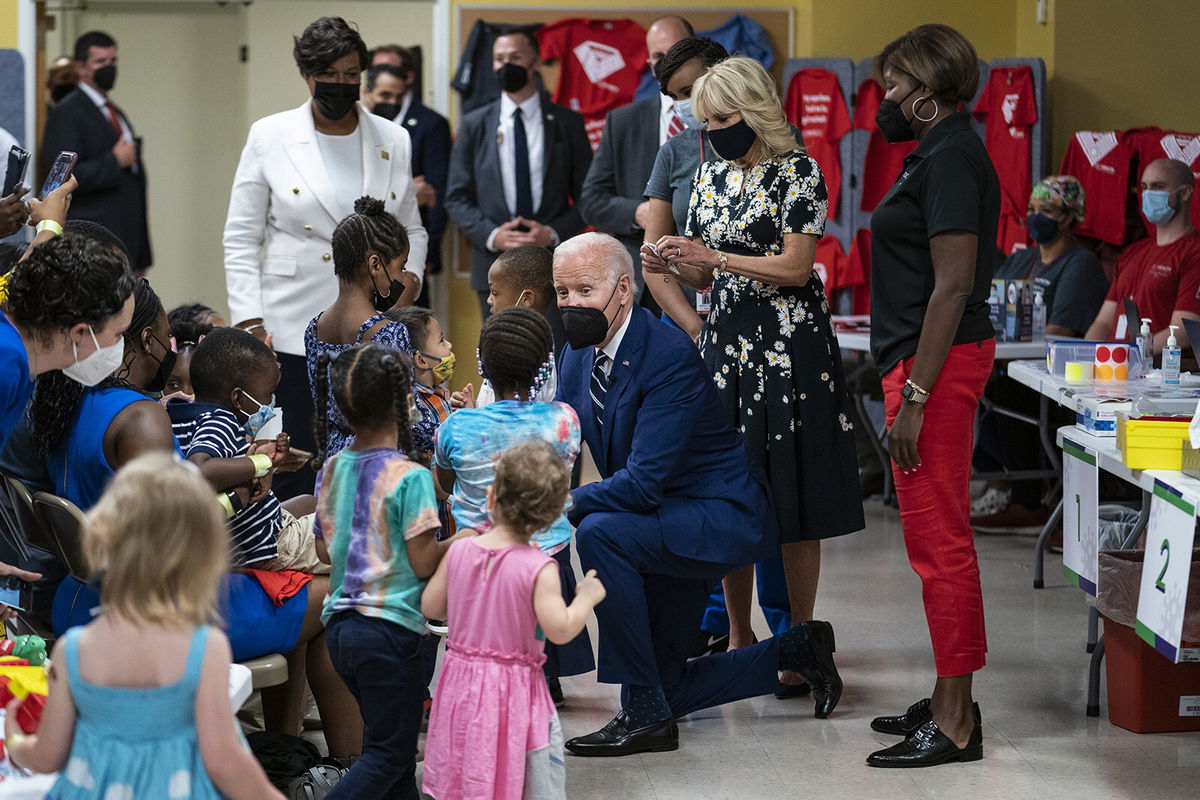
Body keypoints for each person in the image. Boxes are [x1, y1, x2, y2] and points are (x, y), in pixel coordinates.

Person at [553, 232, 841, 756]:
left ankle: (641, 715)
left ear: (623, 289)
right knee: (664, 685)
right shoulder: (575, 357)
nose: (571, 304)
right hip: (660, 520)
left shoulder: (665, 354)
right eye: (562, 293)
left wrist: (563, 506)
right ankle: (800, 647)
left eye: (583, 290)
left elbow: (641, 482)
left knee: (598, 532)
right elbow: (562, 447)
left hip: (715, 516)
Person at [648, 56, 864, 692]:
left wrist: (710, 254)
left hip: (791, 350)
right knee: (729, 494)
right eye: (705, 121)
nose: (713, 132)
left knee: (793, 496)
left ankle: (799, 639)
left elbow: (796, 267)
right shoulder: (712, 176)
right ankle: (740, 636)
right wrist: (671, 261)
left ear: (758, 110)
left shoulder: (799, 171)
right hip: (727, 347)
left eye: (723, 118)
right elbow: (707, 274)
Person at [865, 24, 998, 767]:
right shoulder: (937, 154)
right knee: (933, 540)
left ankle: (953, 723)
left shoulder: (951, 157)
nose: (884, 99)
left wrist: (916, 393)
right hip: (922, 360)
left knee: (940, 544)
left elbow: (953, 286)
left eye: (894, 85)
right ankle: (953, 698)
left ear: (927, 92)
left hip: (934, 366)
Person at [224, 16, 428, 496]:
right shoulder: (269, 136)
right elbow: (240, 237)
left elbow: (413, 225)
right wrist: (250, 321)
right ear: (306, 74)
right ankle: (295, 556)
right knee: (300, 452)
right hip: (292, 322)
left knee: (372, 448)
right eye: (329, 74)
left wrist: (412, 276)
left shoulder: (392, 138)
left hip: (374, 320)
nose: (341, 84)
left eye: (351, 73)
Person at [3, 453, 284, 799]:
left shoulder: (73, 651)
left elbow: (48, 758)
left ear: (101, 543)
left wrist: (16, 743)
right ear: (202, 560)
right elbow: (224, 761)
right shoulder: (204, 648)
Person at [311, 342, 459, 799]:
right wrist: (468, 539)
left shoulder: (333, 469)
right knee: (391, 756)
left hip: (341, 633)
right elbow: (423, 562)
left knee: (387, 751)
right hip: (391, 635)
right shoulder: (411, 477)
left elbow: (324, 549)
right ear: (404, 400)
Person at [422, 441, 606, 800]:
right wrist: (585, 598)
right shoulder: (540, 569)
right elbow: (560, 628)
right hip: (512, 691)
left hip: (460, 686)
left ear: (491, 497)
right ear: (551, 518)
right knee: (521, 772)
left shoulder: (461, 549)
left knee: (465, 764)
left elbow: (431, 606)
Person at [434, 307, 594, 703]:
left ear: (482, 365)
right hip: (547, 555)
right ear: (545, 366)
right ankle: (546, 679)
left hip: (478, 557)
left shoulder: (456, 425)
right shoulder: (564, 420)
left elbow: (445, 482)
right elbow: (562, 478)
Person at [972, 176, 1108, 530]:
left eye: (1045, 211)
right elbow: (989, 306)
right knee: (973, 386)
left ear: (1068, 216)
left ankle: (1027, 497)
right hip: (1009, 363)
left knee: (1003, 391)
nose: (1035, 218)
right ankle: (1000, 480)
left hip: (1057, 376)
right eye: (1031, 211)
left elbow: (1059, 332)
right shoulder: (1023, 261)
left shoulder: (1080, 265)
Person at [445, 30, 592, 319]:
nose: (505, 65)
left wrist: (551, 233)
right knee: (500, 358)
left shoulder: (567, 122)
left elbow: (589, 197)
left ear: (535, 62)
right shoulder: (474, 124)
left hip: (554, 267)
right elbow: (456, 197)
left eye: (515, 57)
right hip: (492, 267)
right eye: (499, 59)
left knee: (556, 358)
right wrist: (492, 234)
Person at [178, 328, 324, 574]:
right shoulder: (219, 422)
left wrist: (256, 453)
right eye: (267, 394)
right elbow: (199, 468)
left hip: (257, 531)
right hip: (273, 545)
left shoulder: (188, 418)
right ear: (238, 398)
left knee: (310, 501)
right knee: (356, 533)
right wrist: (261, 462)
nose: (269, 403)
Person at [580, 15, 693, 300]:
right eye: (658, 56)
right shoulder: (623, 121)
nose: (667, 62)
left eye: (676, 51)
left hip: (706, 275)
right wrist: (639, 213)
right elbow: (592, 201)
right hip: (642, 281)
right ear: (648, 63)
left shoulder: (720, 118)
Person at [0, 230, 135, 452]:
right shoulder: (7, 360)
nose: (119, 344)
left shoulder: (20, 363)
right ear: (79, 332)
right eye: (118, 333)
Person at [307, 196, 416, 460]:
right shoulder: (389, 332)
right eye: (401, 267)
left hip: (335, 463)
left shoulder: (314, 328)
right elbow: (406, 417)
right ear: (375, 264)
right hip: (381, 464)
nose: (404, 278)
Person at [640, 37, 730, 337]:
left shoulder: (774, 143)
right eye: (675, 96)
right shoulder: (672, 152)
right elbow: (651, 260)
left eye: (690, 91)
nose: (684, 104)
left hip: (758, 317)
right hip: (685, 322)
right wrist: (693, 328)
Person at [41, 31, 151, 272]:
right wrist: (114, 161)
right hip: (94, 241)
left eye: (113, 61)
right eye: (100, 62)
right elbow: (61, 175)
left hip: (126, 236)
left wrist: (141, 251)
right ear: (80, 67)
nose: (109, 68)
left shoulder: (113, 111)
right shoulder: (68, 112)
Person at [1085, 158, 1200, 352]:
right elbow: (1103, 323)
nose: (1148, 194)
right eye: (1144, 187)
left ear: (1185, 193)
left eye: (1158, 186)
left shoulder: (1194, 252)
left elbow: (1183, 332)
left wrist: (1128, 355)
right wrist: (1085, 356)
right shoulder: (1133, 252)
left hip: (1161, 375)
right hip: (1115, 369)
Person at [362, 55, 451, 285]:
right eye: (384, 95)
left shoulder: (428, 124)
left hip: (407, 251)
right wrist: (408, 190)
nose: (392, 101)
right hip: (359, 251)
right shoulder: (354, 129)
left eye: (398, 96)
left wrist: (428, 254)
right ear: (367, 92)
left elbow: (436, 196)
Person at [461, 245, 560, 407]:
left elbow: (513, 418)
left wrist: (475, 418)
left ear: (526, 298)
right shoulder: (503, 344)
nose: (489, 300)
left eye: (495, 293)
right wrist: (474, 407)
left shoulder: (534, 356)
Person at [386, 307, 454, 465]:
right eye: (441, 340)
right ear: (421, 360)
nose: (449, 345)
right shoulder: (416, 409)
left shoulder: (436, 394)